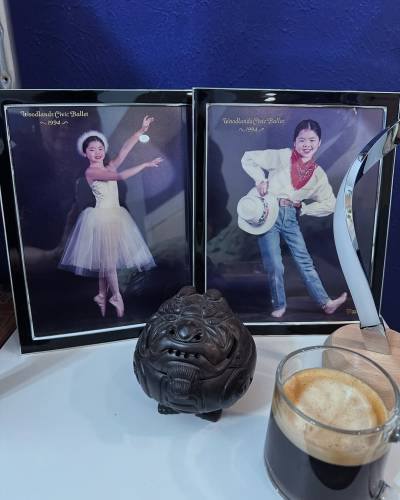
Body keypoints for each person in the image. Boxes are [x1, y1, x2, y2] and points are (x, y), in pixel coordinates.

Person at [241, 119, 347, 318]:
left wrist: (305, 208)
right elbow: (249, 158)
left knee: (304, 261)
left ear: (319, 143)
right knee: (274, 264)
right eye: (302, 140)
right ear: (294, 142)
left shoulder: (318, 175)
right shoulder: (283, 156)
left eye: (312, 140)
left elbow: (330, 203)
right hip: (267, 212)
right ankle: (279, 304)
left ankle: (326, 303)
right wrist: (260, 179)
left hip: (290, 216)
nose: (307, 144)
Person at [59, 115, 162, 318]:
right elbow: (119, 176)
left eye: (100, 148)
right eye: (92, 149)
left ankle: (100, 294)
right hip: (101, 218)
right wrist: (144, 165)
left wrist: (140, 130)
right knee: (109, 263)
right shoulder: (91, 172)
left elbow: (124, 150)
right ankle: (116, 296)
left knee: (107, 261)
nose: (97, 153)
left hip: (116, 217)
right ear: (85, 153)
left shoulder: (109, 166)